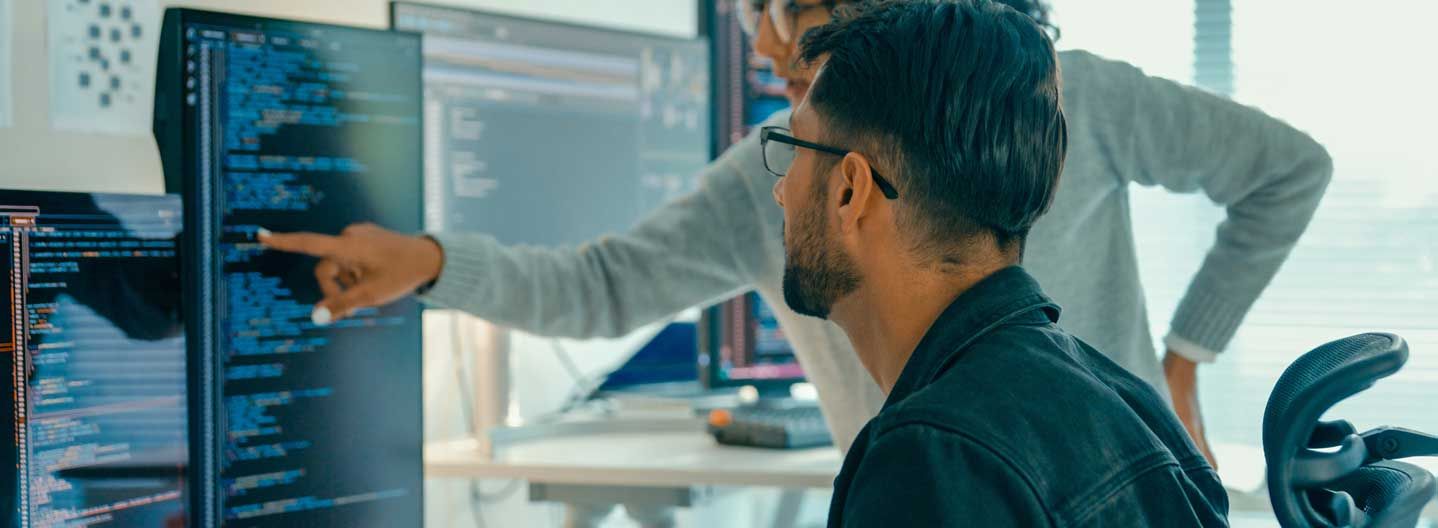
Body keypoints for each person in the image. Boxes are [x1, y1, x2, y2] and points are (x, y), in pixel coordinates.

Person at [259, 0, 1332, 462]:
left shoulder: (1064, 98)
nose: (762, 41)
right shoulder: (780, 166)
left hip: (1058, 485)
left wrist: (1185, 362)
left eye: (779, 9)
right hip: (923, 495)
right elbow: (602, 286)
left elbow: (1289, 169)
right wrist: (434, 264)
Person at [772, 1, 1227, 524]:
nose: (782, 192)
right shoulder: (1135, 406)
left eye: (793, 148)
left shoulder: (930, 460)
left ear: (851, 190)